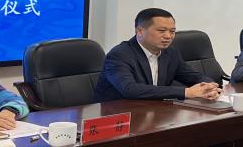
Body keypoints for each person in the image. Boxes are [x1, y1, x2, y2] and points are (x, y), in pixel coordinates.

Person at [93, 7, 221, 102]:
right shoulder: (119, 55)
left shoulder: (170, 53)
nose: (168, 36)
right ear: (140, 31)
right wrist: (186, 92)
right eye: (161, 31)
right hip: (117, 116)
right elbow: (129, 89)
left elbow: (192, 76)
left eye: (172, 31)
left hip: (153, 111)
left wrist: (209, 86)